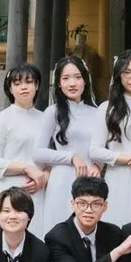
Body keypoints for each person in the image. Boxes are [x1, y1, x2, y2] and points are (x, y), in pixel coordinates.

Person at [32, 55, 101, 232]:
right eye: (66, 78)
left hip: (91, 181)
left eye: (77, 77)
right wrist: (71, 157)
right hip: (61, 181)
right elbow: (38, 153)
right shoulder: (52, 112)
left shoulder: (98, 113)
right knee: (59, 230)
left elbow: (105, 146)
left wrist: (98, 165)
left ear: (85, 80)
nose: (72, 83)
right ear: (59, 83)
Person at [92, 52, 131, 228]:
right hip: (118, 176)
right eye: (127, 72)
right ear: (118, 75)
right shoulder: (107, 108)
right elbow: (95, 151)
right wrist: (130, 160)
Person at [0, 64, 49, 212]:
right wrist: (26, 168)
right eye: (17, 83)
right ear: (10, 88)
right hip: (8, 188)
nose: (23, 87)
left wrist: (45, 176)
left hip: (38, 190)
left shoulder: (45, 118)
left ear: (37, 85)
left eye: (29, 82)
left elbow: (52, 156)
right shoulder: (3, 119)